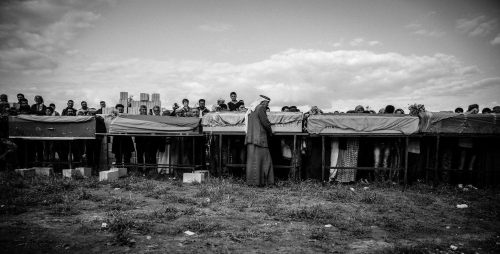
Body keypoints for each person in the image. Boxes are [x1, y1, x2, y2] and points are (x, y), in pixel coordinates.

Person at [245, 95, 274, 186]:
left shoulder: (251, 109)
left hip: (251, 137)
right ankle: (265, 182)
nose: (267, 105)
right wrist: (270, 131)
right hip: (259, 138)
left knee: (253, 161)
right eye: (267, 103)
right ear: (263, 102)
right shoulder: (261, 108)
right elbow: (265, 122)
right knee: (265, 160)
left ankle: (252, 182)